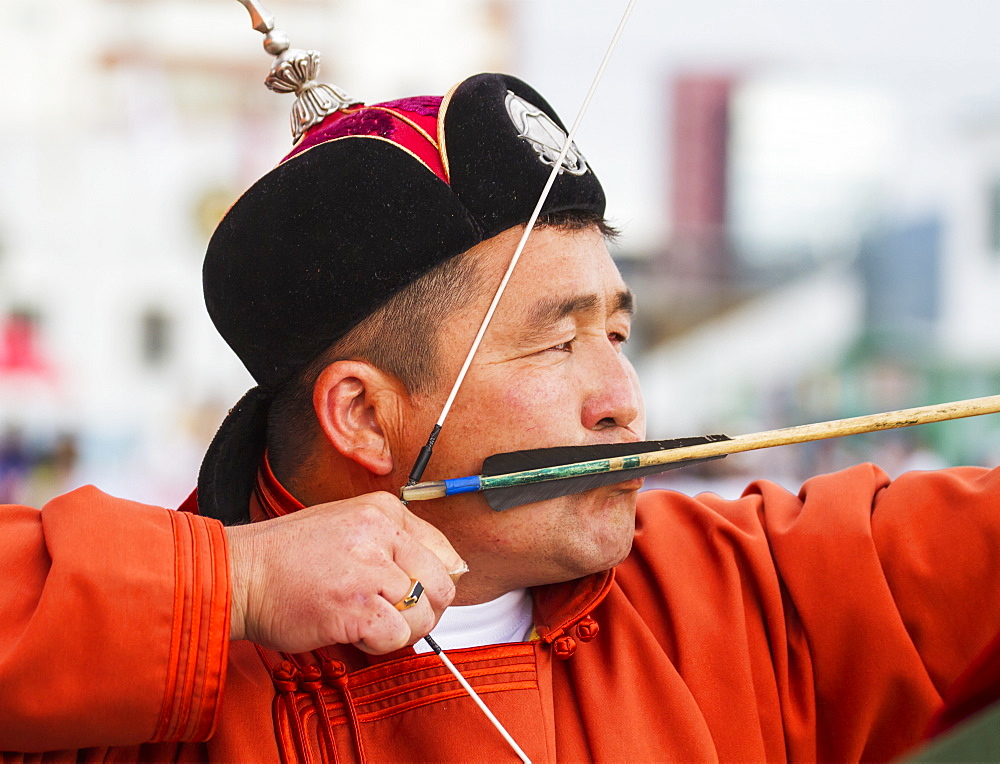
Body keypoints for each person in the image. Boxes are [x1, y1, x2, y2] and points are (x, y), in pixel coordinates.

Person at [2, 71, 999, 761]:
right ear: (360, 413)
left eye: (615, 333)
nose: (621, 398)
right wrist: (242, 581)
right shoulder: (137, 673)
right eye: (556, 341)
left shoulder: (741, 588)